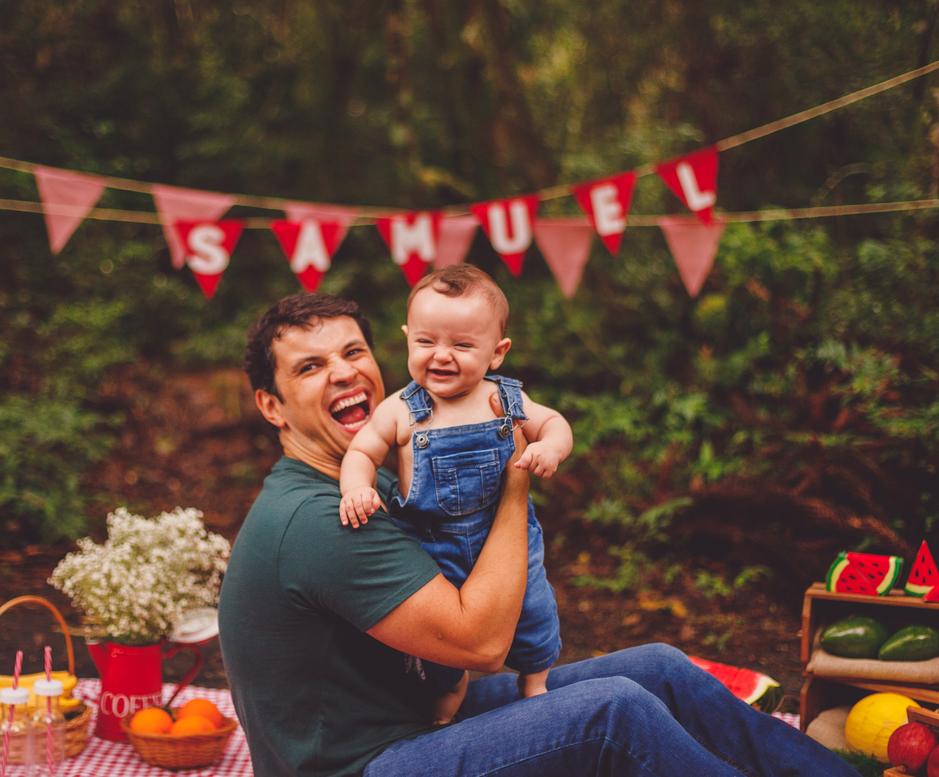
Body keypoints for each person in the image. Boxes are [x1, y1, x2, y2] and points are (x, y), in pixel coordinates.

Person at [218, 291, 861, 777]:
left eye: (353, 352)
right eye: (310, 367)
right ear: (272, 406)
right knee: (613, 713)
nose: (342, 372)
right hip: (369, 764)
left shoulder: (379, 477)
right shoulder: (323, 517)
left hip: (411, 720)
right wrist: (514, 479)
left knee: (659, 670)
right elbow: (481, 642)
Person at [338, 265, 570, 723]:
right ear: (408, 339)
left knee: (534, 612)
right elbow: (362, 451)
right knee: (440, 646)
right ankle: (442, 713)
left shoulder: (504, 399)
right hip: (430, 544)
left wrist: (549, 447)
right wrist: (357, 487)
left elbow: (554, 422)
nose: (441, 355)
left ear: (497, 352)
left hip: (502, 535)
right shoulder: (401, 409)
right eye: (426, 341)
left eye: (462, 345)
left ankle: (535, 685)